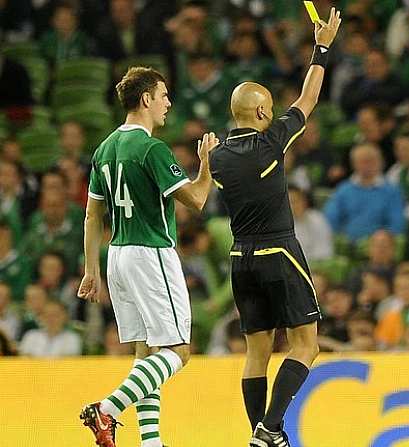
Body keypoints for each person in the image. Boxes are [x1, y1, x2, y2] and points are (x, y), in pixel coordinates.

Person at [209, 8, 341, 447]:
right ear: (263, 110)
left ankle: (258, 436)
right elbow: (308, 99)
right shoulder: (270, 142)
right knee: (306, 345)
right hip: (278, 251)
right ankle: (270, 427)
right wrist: (321, 48)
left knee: (256, 353)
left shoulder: (218, 155)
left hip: (239, 257)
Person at [77, 66, 219, 447]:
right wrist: (205, 164)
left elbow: (93, 214)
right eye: (163, 95)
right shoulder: (152, 149)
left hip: (117, 255)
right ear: (146, 100)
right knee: (179, 351)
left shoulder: (104, 148)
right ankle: (107, 409)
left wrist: (92, 269)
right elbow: (198, 200)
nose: (168, 103)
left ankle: (151, 442)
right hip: (151, 251)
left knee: (147, 353)